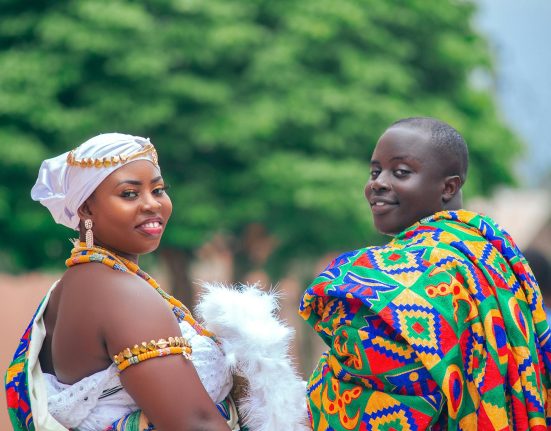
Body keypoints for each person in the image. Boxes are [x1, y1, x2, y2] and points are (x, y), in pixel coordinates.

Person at [5, 134, 308, 431]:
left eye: (158, 190)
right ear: (86, 209)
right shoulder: (118, 291)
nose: (152, 204)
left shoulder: (82, 280)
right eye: (129, 194)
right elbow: (195, 424)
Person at [299, 117, 551, 430]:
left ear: (449, 187)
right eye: (375, 171)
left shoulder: (412, 272)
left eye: (400, 172)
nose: (378, 182)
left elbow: (371, 399)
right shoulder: (489, 256)